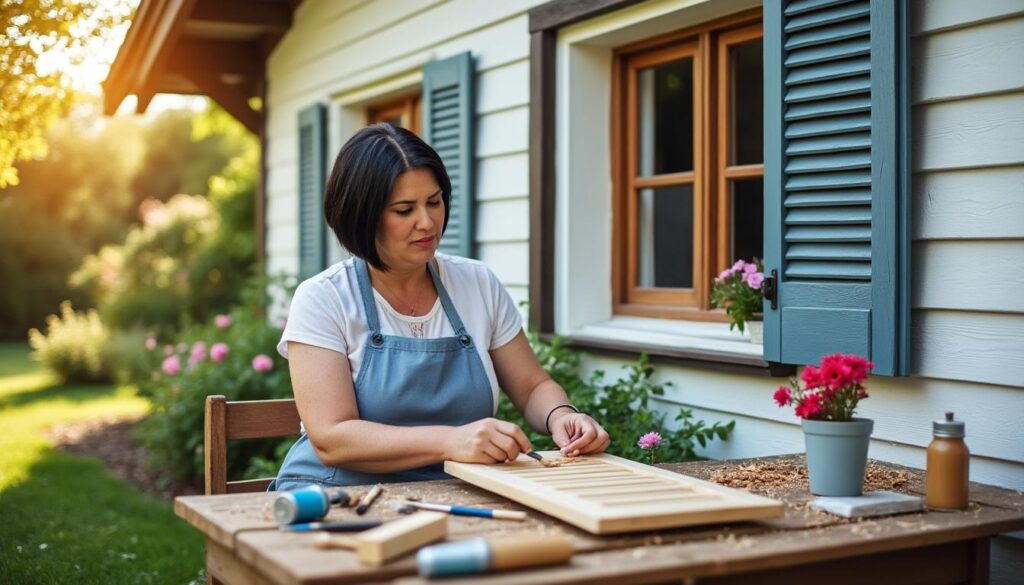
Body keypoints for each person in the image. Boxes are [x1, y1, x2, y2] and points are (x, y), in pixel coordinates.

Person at [271, 123, 610, 490]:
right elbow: (332, 438)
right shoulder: (325, 298)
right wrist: (452, 441)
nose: (428, 222)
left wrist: (561, 415)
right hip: (337, 495)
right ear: (361, 215)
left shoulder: (477, 283)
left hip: (456, 489)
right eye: (404, 210)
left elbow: (531, 387)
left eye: (434, 202)